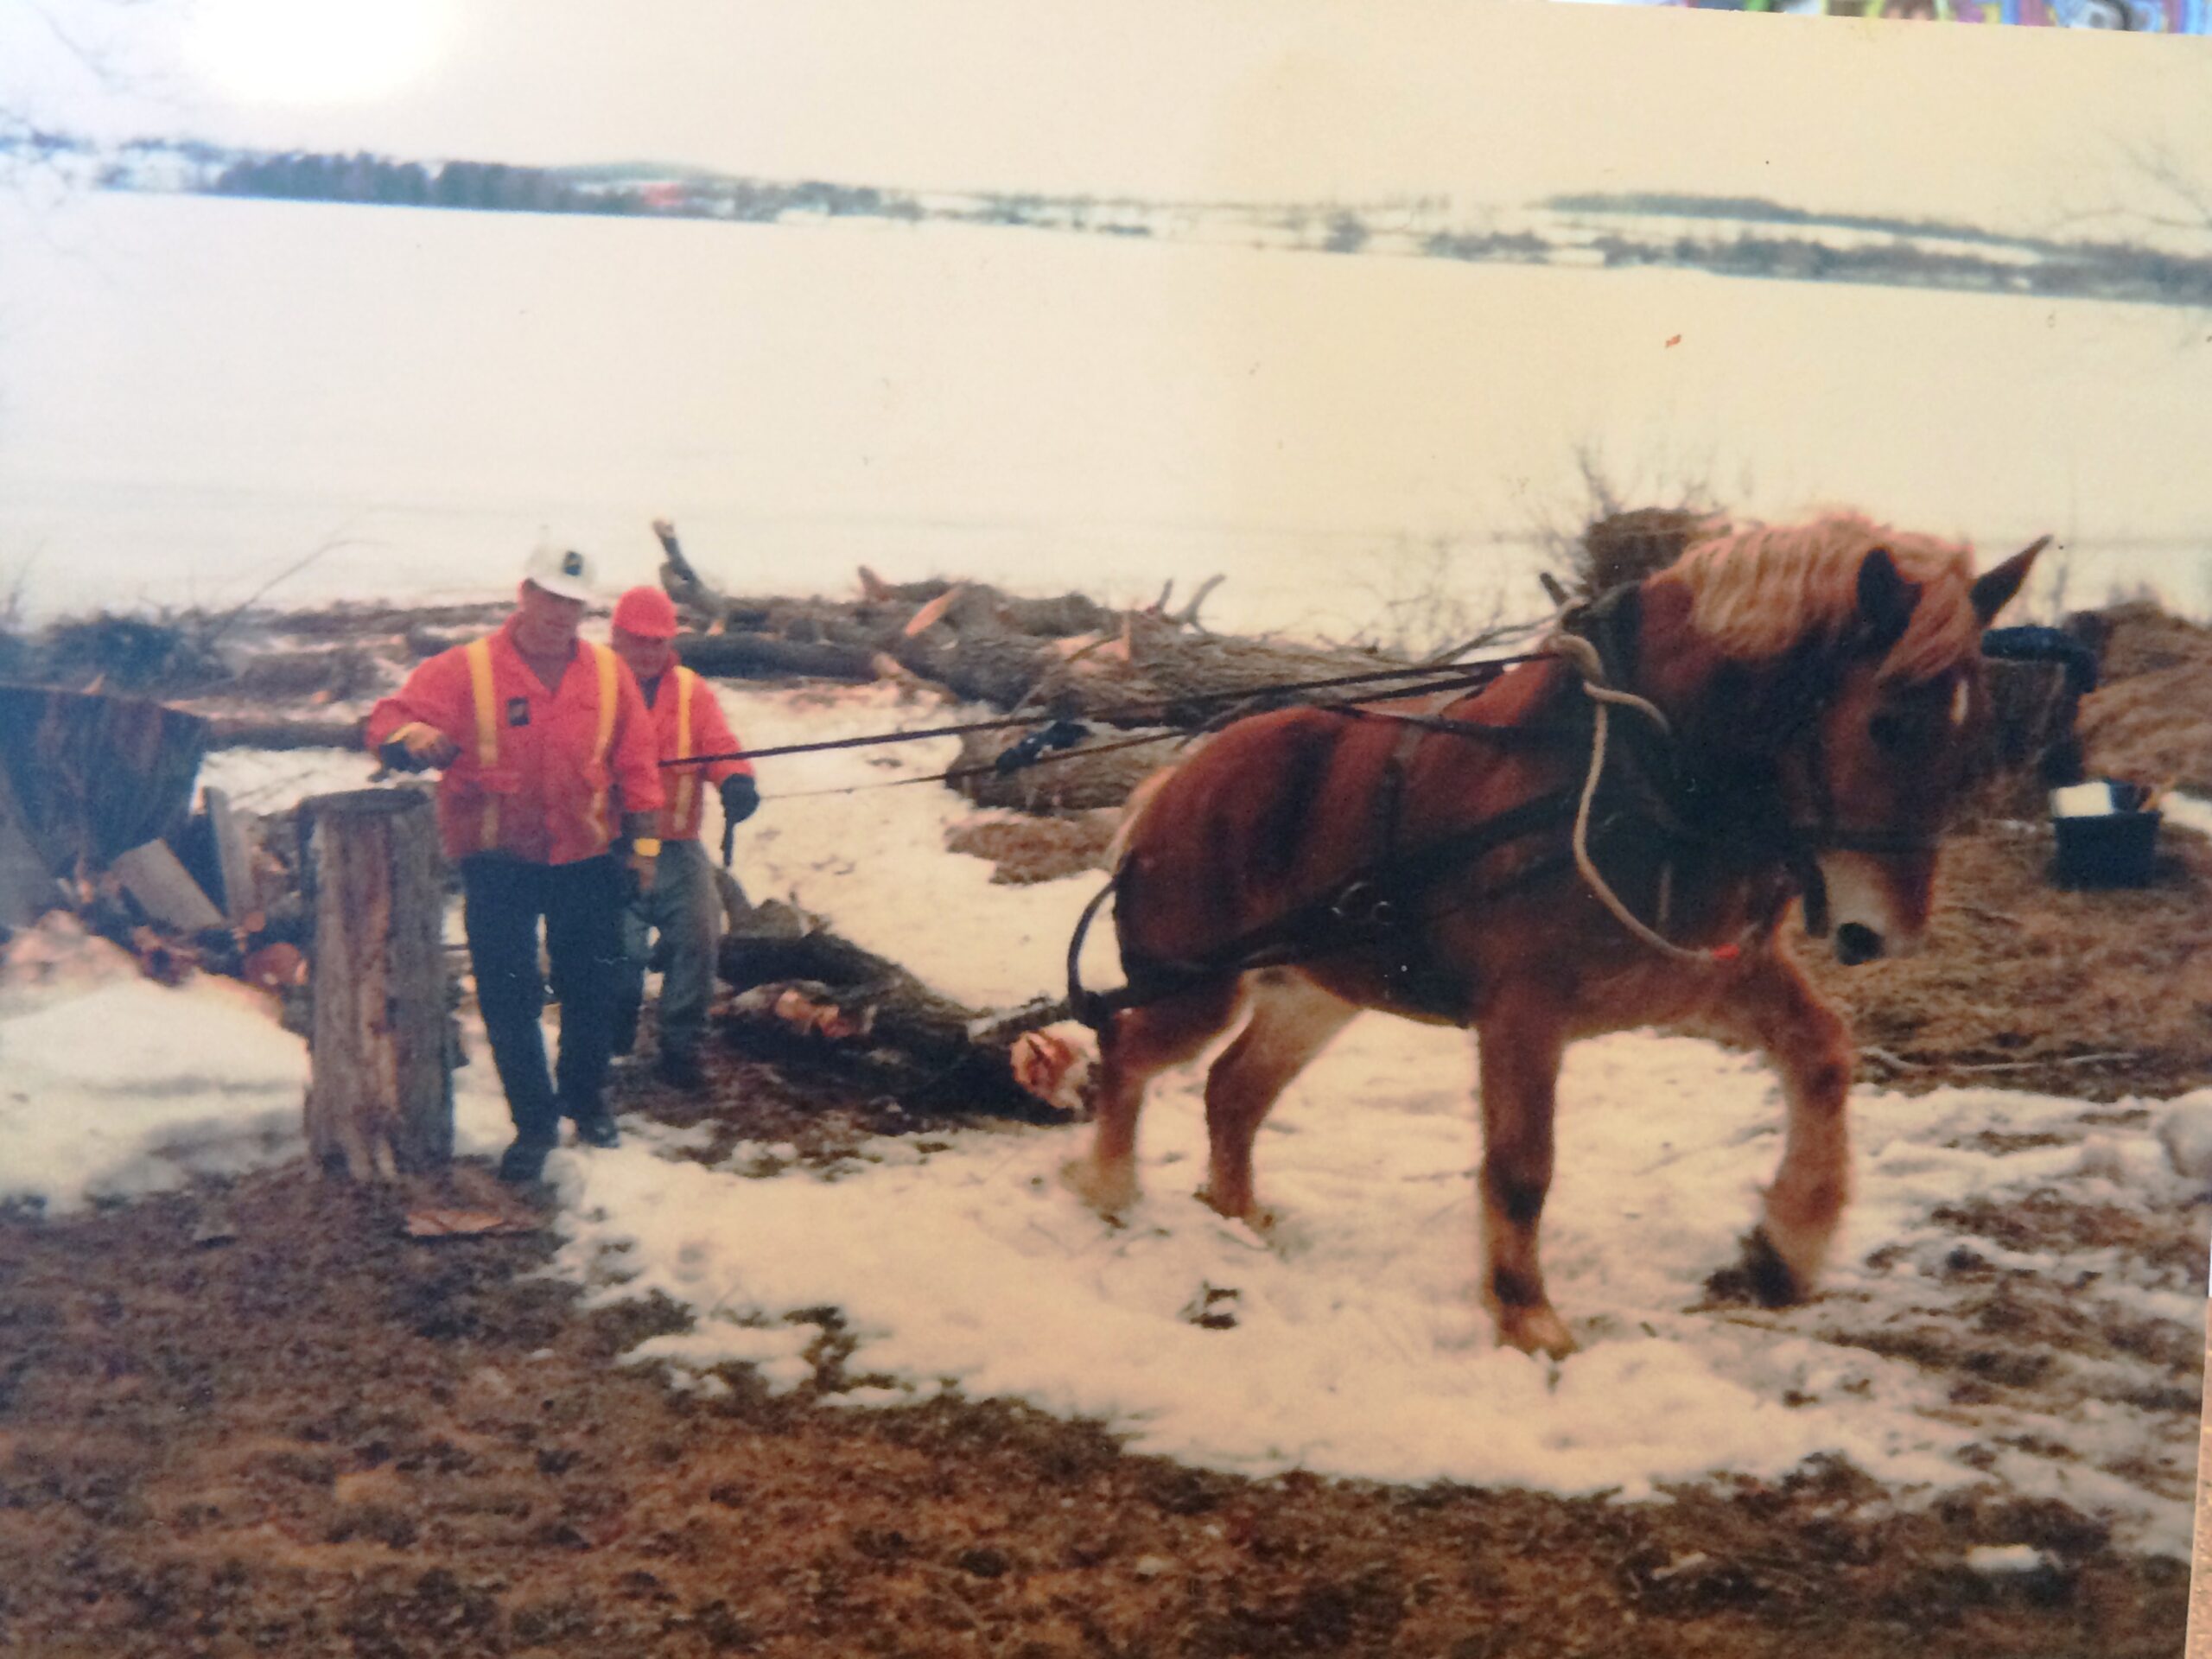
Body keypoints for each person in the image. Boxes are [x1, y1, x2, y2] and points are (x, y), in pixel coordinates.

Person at [364, 545, 665, 1184]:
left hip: (586, 860)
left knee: (593, 991)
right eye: (550, 597)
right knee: (509, 996)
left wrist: (642, 854)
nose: (561, 613)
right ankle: (533, 1125)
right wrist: (410, 738)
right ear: (525, 593)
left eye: (573, 602)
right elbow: (387, 719)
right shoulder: (464, 670)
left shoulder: (610, 677)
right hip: (497, 864)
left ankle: (586, 1103)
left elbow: (639, 772)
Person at [606, 585, 760, 1091]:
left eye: (658, 642)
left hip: (677, 845)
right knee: (620, 953)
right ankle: (612, 1037)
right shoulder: (593, 688)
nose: (649, 652)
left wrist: (736, 781)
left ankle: (680, 1047)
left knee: (701, 934)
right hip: (611, 849)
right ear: (618, 637)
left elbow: (720, 743)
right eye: (639, 641)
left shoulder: (692, 691)